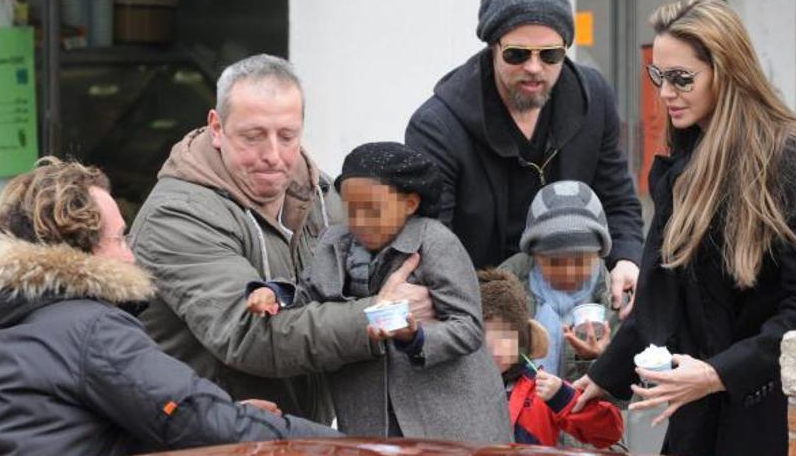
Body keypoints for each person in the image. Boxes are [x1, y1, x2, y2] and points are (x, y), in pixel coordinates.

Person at [572, 0, 796, 456]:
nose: (665, 93)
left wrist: (718, 373)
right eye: (659, 76)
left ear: (727, 71)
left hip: (772, 417)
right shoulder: (683, 164)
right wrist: (600, 378)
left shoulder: (792, 159)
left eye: (682, 79)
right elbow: (662, 295)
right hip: (698, 419)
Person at [129, 55, 433, 423]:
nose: (273, 156)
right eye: (253, 137)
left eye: (287, 136)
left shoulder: (321, 194)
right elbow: (250, 335)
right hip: (206, 436)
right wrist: (385, 317)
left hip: (292, 432)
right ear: (216, 127)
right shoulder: (178, 215)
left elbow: (388, 272)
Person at [0, 158, 340, 456]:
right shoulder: (89, 328)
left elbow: (73, 432)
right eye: (120, 239)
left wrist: (231, 414)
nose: (131, 255)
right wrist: (341, 446)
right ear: (82, 252)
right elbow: (193, 417)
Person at [405, 0, 643, 319]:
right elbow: (432, 243)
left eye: (550, 55)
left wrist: (626, 258)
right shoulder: (437, 127)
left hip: (577, 308)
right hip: (478, 313)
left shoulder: (594, 100)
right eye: (517, 54)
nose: (534, 67)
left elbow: (618, 199)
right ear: (492, 46)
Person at [247, 142, 511, 442]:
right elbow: (310, 293)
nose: (360, 222)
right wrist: (275, 294)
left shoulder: (436, 243)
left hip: (448, 418)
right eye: (351, 211)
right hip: (369, 415)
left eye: (373, 211)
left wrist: (416, 338)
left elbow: (469, 327)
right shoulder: (334, 244)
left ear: (410, 204)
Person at [478, 268, 623, 449]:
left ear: (522, 338)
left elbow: (609, 433)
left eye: (505, 336)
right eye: (485, 336)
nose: (496, 348)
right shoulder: (453, 386)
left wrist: (563, 397)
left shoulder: (541, 389)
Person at [499, 180, 617, 383]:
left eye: (580, 262)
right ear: (535, 255)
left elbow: (625, 396)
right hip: (520, 411)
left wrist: (592, 360)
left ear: (599, 254)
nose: (569, 273)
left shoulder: (612, 297)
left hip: (582, 413)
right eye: (555, 262)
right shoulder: (506, 291)